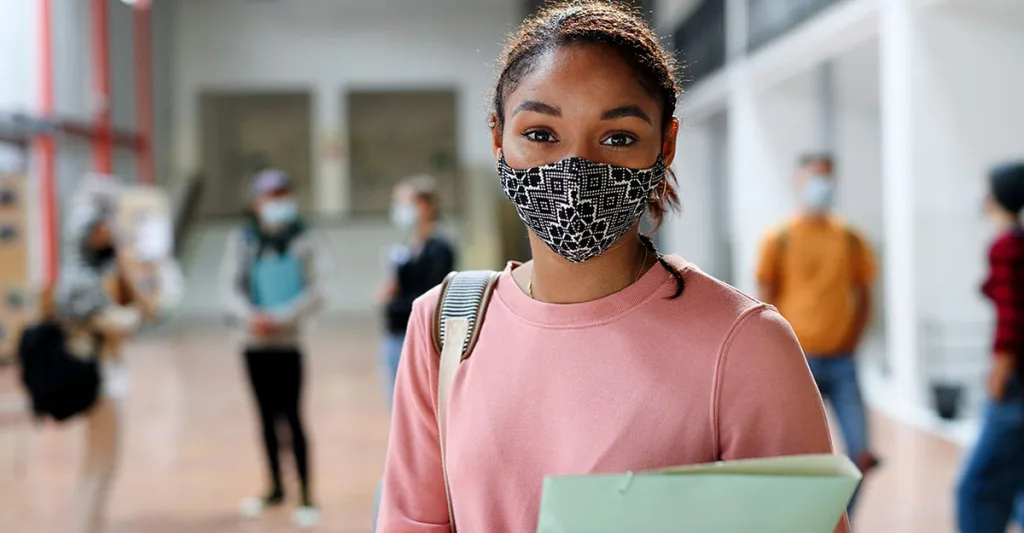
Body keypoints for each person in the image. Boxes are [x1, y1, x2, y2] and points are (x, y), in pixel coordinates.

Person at [377, 3, 848, 532]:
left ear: (664, 145)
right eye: (540, 134)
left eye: (618, 137)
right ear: (497, 138)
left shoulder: (744, 345)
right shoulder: (446, 325)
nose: (575, 168)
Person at [756, 154, 879, 513]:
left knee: (860, 454)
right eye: (813, 178)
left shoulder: (851, 239)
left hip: (843, 363)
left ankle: (838, 521)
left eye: (826, 178)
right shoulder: (778, 238)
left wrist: (852, 340)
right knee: (793, 458)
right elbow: (765, 301)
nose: (820, 186)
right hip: (799, 362)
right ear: (798, 181)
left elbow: (866, 296)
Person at [220, 169, 329, 528]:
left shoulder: (305, 240)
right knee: (265, 418)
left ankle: (307, 494)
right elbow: (230, 287)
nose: (276, 203)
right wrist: (249, 316)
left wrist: (280, 317)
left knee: (292, 417)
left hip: (288, 343)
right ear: (256, 201)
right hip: (252, 343)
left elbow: (317, 290)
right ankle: (276, 487)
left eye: (282, 195)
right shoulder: (244, 240)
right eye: (270, 196)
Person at [54, 176, 158, 533]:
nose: (108, 233)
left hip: (107, 373)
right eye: (101, 228)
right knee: (98, 464)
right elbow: (126, 320)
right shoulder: (80, 281)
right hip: (96, 380)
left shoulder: (98, 273)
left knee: (101, 463)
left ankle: (92, 525)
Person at [957, 161, 1024, 533]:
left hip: (1014, 382)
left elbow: (1011, 318)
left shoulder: (1004, 246)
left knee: (976, 489)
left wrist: (1000, 370)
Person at [380, 176, 456, 405]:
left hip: (418, 333)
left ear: (424, 205)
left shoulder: (439, 247)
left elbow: (432, 292)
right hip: (396, 330)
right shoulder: (409, 244)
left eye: (405, 202)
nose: (401, 209)